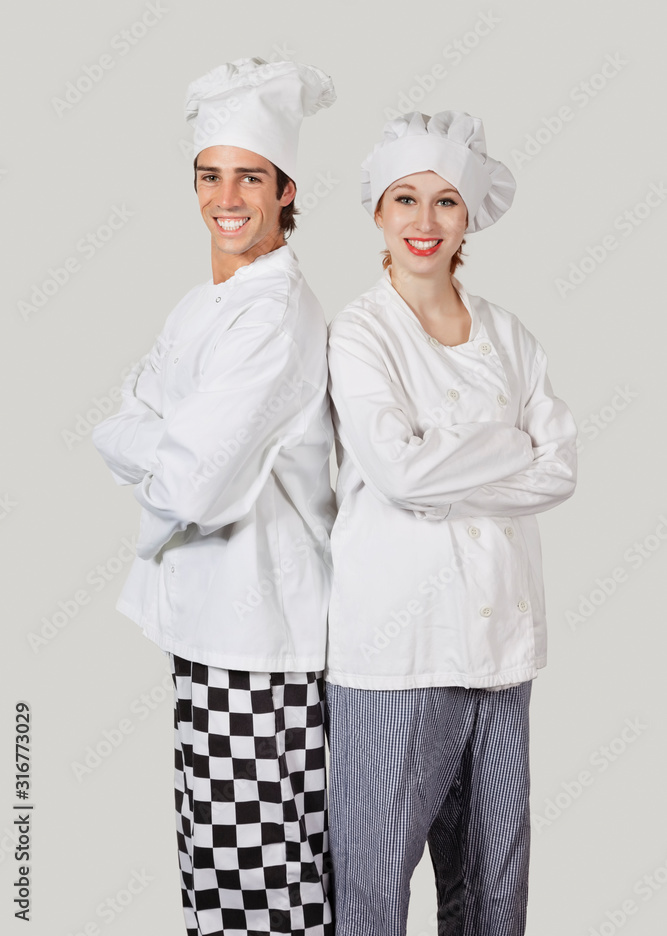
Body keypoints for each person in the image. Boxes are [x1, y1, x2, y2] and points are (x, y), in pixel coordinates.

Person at [93, 57, 336, 936]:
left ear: (284, 189)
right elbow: (116, 425)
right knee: (213, 876)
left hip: (261, 644)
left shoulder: (272, 316)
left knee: (267, 888)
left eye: (248, 177)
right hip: (207, 633)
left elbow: (192, 481)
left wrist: (153, 443)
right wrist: (159, 441)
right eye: (209, 175)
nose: (225, 196)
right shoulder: (206, 303)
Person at [325, 110, 578, 935]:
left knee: (493, 893)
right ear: (376, 213)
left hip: (502, 650)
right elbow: (397, 473)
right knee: (372, 890)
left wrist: (450, 464)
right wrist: (507, 443)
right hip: (396, 655)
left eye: (444, 202)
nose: (423, 222)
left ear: (470, 215)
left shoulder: (509, 335)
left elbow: (560, 468)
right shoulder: (359, 335)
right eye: (404, 199)